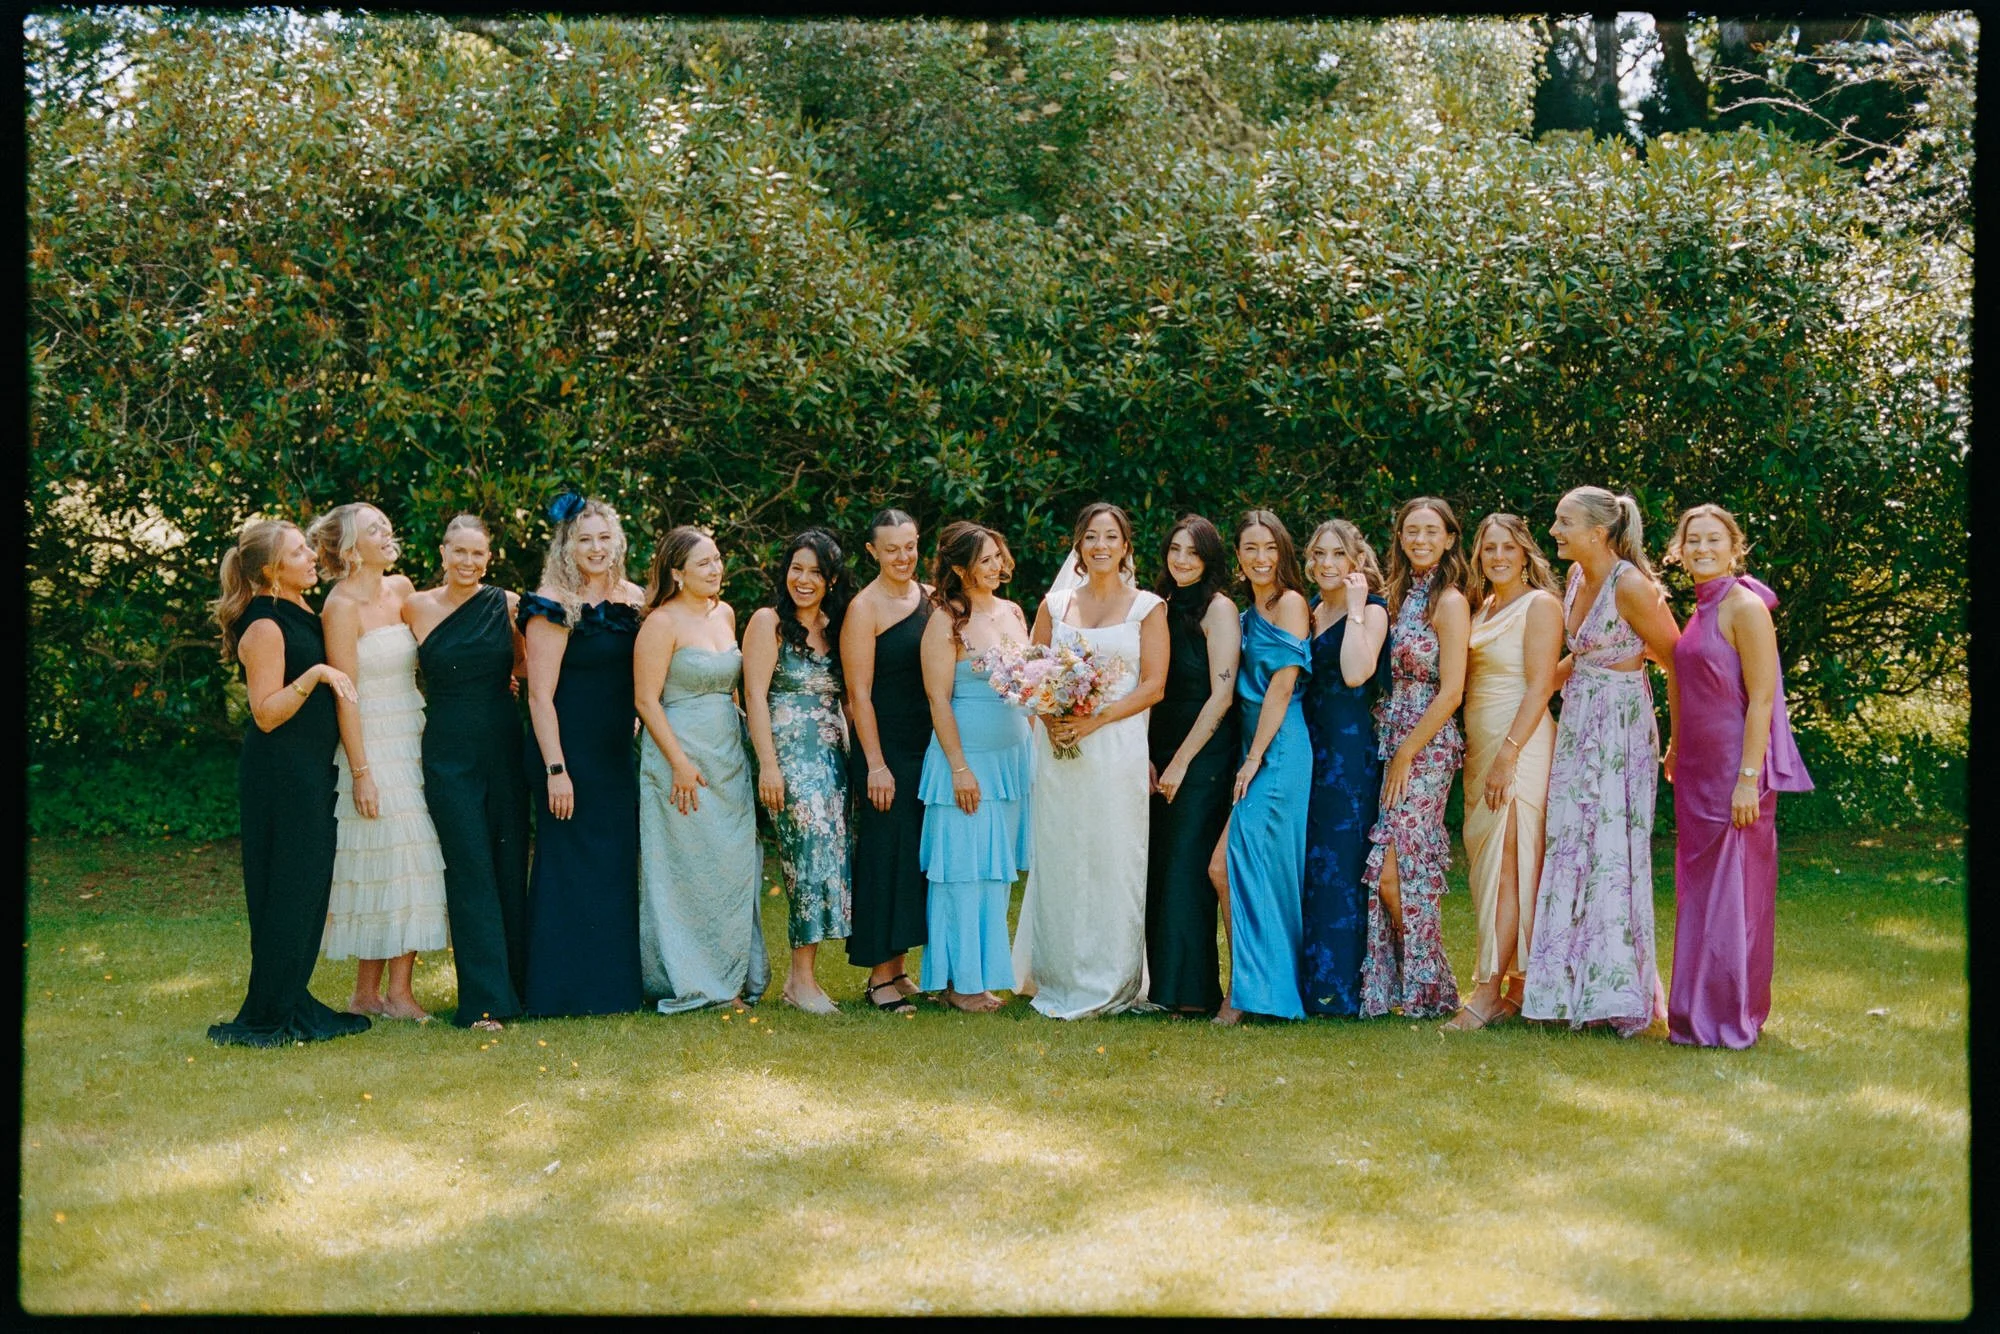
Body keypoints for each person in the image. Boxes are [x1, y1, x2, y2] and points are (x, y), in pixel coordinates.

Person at [1521, 487, 1682, 1037]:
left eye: (1564, 521)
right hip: (1579, 721)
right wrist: (1538, 695)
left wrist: (1678, 741)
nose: (1554, 531)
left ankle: (1618, 995)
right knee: (1572, 845)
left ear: (1598, 531)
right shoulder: (1573, 580)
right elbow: (1580, 655)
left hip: (1620, 727)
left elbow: (1676, 661)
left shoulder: (1631, 586)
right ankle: (1569, 990)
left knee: (1612, 852)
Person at [206, 520, 370, 1047]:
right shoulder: (264, 626)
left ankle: (290, 999)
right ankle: (267, 1014)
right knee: (289, 893)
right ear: (272, 572)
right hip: (280, 778)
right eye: (299, 553)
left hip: (308, 771)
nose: (311, 557)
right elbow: (266, 713)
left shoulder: (300, 611)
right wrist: (316, 675)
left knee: (306, 892)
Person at [1664, 504, 1813, 1048]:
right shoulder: (1698, 610)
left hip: (1735, 771)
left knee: (1736, 894)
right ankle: (1692, 1014)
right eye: (1692, 541)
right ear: (1680, 552)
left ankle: (1729, 1017)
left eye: (1713, 540)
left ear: (1734, 547)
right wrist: (1677, 746)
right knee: (1700, 892)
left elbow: (1762, 698)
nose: (1702, 549)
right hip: (1698, 772)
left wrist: (1750, 776)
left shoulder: (1745, 606)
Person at [1013, 503, 1168, 1019]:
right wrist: (1051, 716)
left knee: (1112, 857)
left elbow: (1153, 686)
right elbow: (1030, 673)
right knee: (1061, 857)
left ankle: (1113, 979)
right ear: (1079, 546)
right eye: (1091, 537)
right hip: (1060, 750)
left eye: (1111, 537)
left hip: (1116, 749)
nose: (1101, 546)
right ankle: (1057, 973)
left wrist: (1094, 720)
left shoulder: (1148, 607)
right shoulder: (1055, 607)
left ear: (1126, 546)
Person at [311, 503, 449, 1021]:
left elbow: (437, 641)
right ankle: (376, 994)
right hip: (369, 743)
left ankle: (390, 993)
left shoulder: (403, 588)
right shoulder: (339, 607)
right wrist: (362, 772)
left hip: (413, 734)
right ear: (350, 550)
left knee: (408, 859)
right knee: (379, 859)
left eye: (386, 523)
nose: (386, 532)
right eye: (373, 528)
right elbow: (345, 695)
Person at [518, 494, 647, 1017]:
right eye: (584, 539)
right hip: (565, 753)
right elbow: (538, 696)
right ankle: (557, 991)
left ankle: (612, 991)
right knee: (566, 865)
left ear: (617, 541)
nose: (596, 548)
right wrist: (556, 771)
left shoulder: (636, 599)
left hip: (615, 753)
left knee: (614, 864)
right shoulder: (552, 602)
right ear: (567, 546)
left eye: (603, 537)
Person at [404, 514, 531, 1032]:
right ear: (442, 551)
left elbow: (525, 665)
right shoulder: (413, 606)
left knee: (507, 865)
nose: (469, 562)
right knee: (469, 867)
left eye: (478, 554)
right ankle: (483, 1003)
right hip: (447, 750)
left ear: (489, 558)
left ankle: (521, 989)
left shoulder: (506, 605)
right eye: (460, 551)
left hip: (503, 744)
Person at [635, 525, 768, 1014]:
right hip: (678, 756)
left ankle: (732, 974)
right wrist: (679, 763)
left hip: (726, 756)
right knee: (686, 870)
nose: (716, 570)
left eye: (717, 560)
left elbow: (731, 687)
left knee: (730, 868)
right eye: (704, 564)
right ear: (677, 573)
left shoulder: (725, 614)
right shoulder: (661, 624)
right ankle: (696, 980)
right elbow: (646, 700)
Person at [1445, 513, 1561, 1031]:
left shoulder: (1540, 605)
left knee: (1509, 866)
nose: (1497, 556)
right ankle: (1519, 986)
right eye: (1488, 548)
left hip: (1519, 746)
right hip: (1481, 745)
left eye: (1507, 548)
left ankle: (1488, 992)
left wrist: (1509, 754)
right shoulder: (1483, 605)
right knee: (1489, 866)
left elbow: (1541, 685)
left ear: (1524, 552)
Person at [1359, 497, 1470, 1020]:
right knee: (1397, 868)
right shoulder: (1402, 596)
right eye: (1411, 532)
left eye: (1431, 532)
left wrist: (1408, 750)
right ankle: (1421, 986)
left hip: (1426, 743)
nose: (1420, 540)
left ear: (1449, 538)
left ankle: (1432, 983)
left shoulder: (1449, 601)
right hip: (1393, 738)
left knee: (1396, 869)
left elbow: (1452, 691)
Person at [916, 522, 1034, 1013]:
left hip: (1011, 757)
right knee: (962, 872)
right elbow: (938, 699)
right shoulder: (945, 620)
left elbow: (1029, 681)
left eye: (998, 557)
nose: (996, 567)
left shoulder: (1012, 612)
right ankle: (958, 984)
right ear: (960, 568)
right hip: (965, 762)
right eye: (984, 560)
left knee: (995, 874)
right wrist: (960, 768)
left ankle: (982, 977)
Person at [744, 528, 855, 1015]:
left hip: (832, 760)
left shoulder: (837, 625)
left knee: (829, 862)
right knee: (804, 862)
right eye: (796, 568)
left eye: (814, 572)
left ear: (831, 579)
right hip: (789, 762)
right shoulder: (768, 622)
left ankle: (799, 979)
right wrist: (769, 765)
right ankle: (802, 981)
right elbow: (753, 697)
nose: (803, 580)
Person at [1214, 510, 1313, 1025]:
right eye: (1250, 548)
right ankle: (1253, 989)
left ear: (1283, 553)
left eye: (1269, 548)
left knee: (1238, 868)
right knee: (1234, 870)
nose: (1260, 558)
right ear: (1238, 555)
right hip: (1253, 749)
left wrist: (1254, 758)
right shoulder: (1244, 613)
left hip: (1280, 749)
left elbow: (1282, 683)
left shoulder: (1292, 604)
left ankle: (1249, 994)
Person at [1145, 516, 1240, 1016]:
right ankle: (1161, 987)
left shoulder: (1219, 608)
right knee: (1159, 867)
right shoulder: (1156, 606)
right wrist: (1146, 756)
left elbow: (1222, 694)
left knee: (1186, 869)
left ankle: (1193, 993)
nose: (1181, 560)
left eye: (1193, 553)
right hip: (1155, 750)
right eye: (1174, 549)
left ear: (1209, 559)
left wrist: (1180, 762)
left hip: (1201, 755)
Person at [839, 509, 932, 1014]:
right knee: (886, 854)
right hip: (885, 748)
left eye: (911, 545)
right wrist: (875, 763)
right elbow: (858, 693)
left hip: (927, 747)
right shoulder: (864, 608)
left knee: (914, 856)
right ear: (872, 551)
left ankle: (899, 968)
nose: (903, 557)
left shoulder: (932, 599)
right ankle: (878, 978)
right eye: (892, 548)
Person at [1299, 519, 1391, 1018]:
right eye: (1319, 555)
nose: (1326, 564)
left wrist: (1355, 610)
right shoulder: (1310, 609)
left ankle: (1341, 992)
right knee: (1311, 866)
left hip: (1349, 751)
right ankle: (1310, 983)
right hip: (1308, 746)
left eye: (1337, 555)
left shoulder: (1372, 611)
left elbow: (1357, 672)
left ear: (1356, 561)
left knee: (1341, 865)